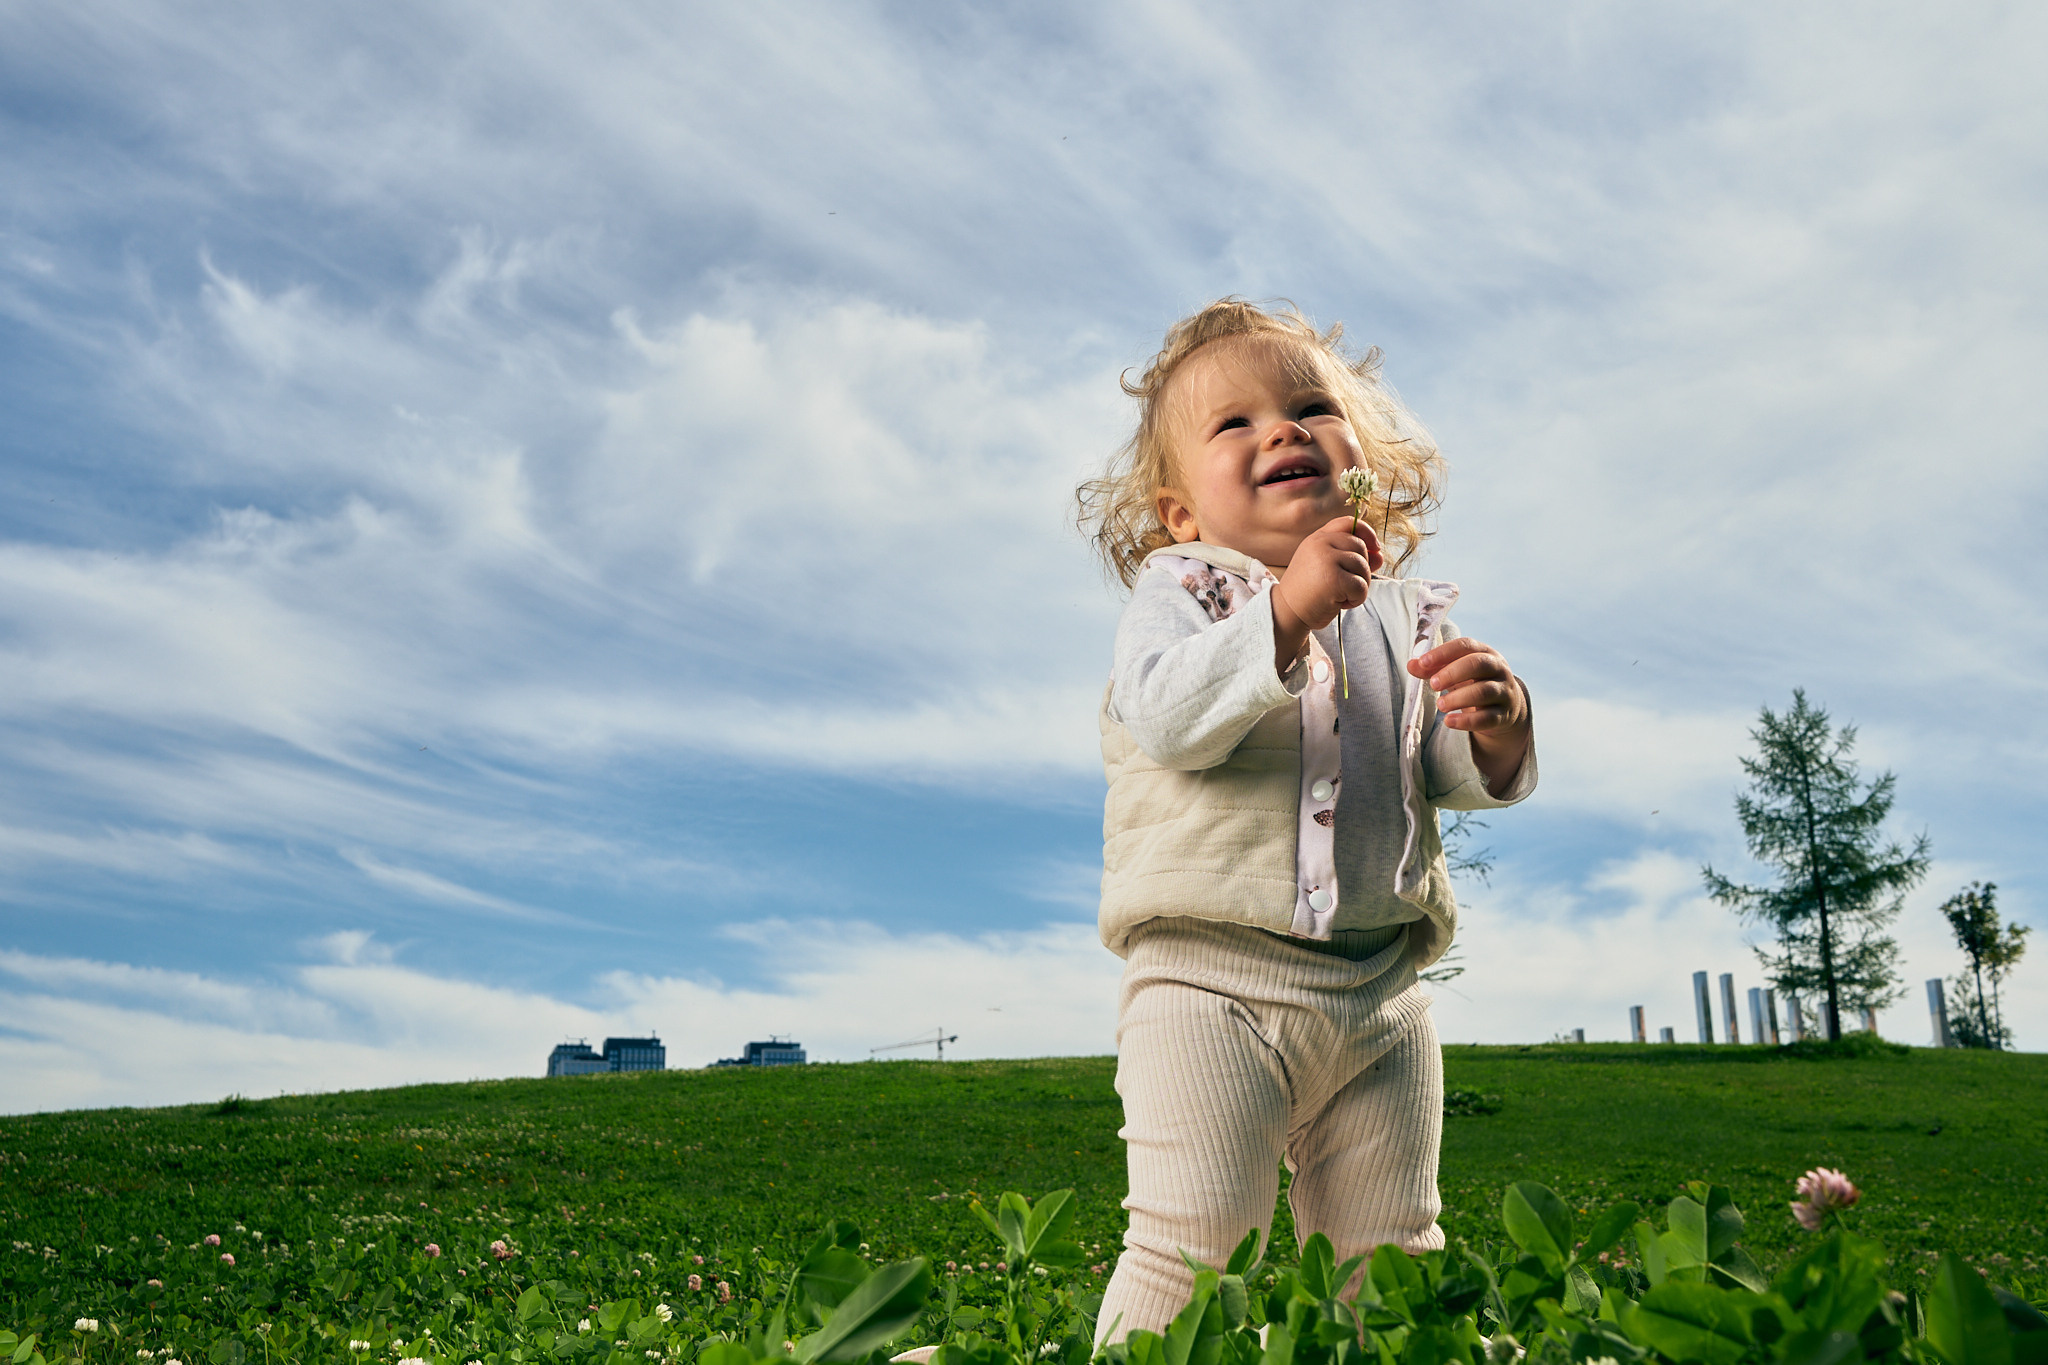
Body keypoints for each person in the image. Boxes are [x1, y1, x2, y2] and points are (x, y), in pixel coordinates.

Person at [1075, 299, 1537, 1340]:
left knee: (1391, 1251)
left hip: (1379, 994)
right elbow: (1166, 716)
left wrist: (1495, 728)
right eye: (1230, 424)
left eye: (1307, 408)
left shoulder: (1399, 610)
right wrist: (1282, 614)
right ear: (1179, 512)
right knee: (1195, 1249)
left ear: (1364, 465)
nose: (1278, 430)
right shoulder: (1186, 589)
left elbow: (1439, 768)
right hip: (1208, 981)